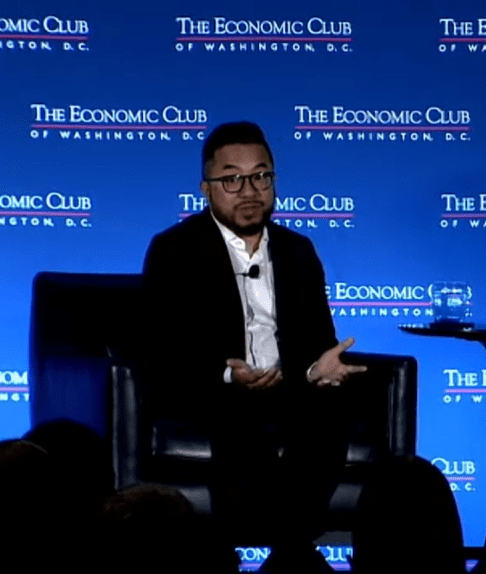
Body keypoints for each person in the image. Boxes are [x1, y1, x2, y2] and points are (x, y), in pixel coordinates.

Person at [141, 121, 368, 569]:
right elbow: (163, 348)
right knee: (238, 410)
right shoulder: (174, 250)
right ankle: (293, 554)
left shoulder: (298, 251)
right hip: (214, 390)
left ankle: (286, 550)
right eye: (232, 179)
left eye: (261, 176)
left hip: (290, 389)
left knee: (331, 405)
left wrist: (317, 370)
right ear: (206, 188)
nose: (249, 191)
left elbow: (317, 342)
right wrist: (230, 374)